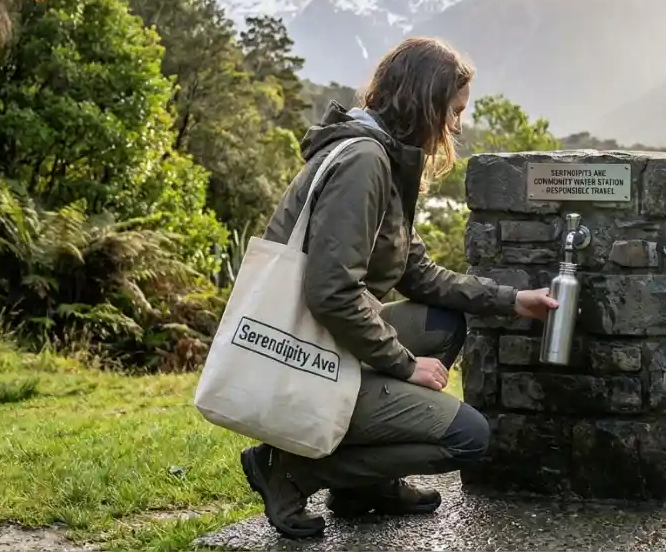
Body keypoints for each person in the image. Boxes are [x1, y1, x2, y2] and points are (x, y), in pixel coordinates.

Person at [239, 37, 558, 539]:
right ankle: (290, 472)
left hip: (329, 339)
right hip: (305, 352)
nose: (456, 126)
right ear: (423, 101)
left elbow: (418, 273)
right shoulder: (364, 162)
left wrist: (512, 301)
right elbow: (332, 294)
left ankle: (366, 485)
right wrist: (406, 365)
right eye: (453, 111)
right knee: (468, 439)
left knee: (444, 322)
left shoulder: (383, 157)